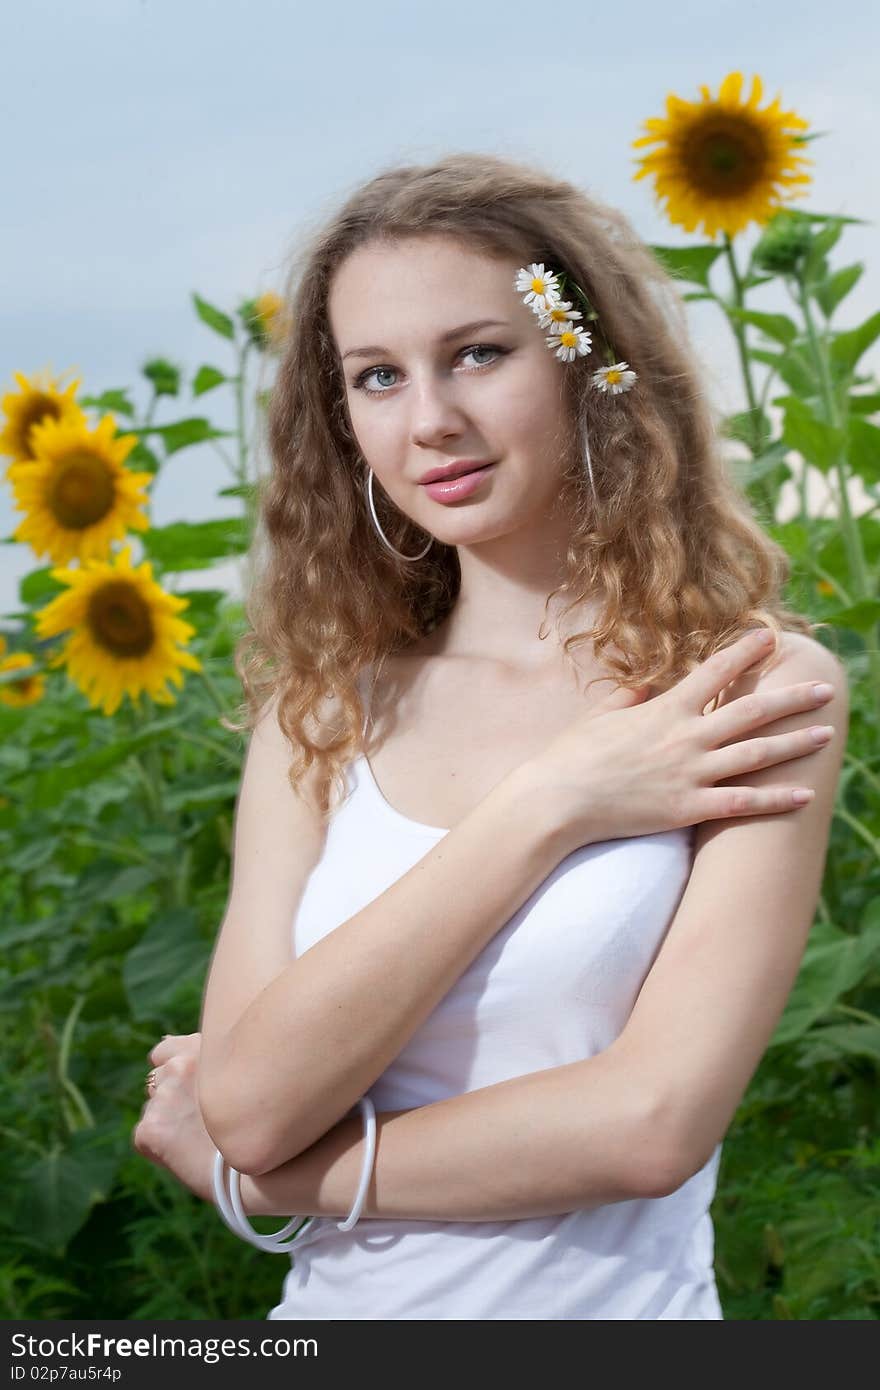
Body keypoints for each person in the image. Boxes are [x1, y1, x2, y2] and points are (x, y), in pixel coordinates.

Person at [133, 151, 848, 1320]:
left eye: (477, 353)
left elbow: (649, 1124)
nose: (431, 421)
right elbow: (253, 1100)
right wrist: (552, 800)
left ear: (583, 364)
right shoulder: (321, 712)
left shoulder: (747, 694)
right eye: (375, 376)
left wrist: (285, 1180)